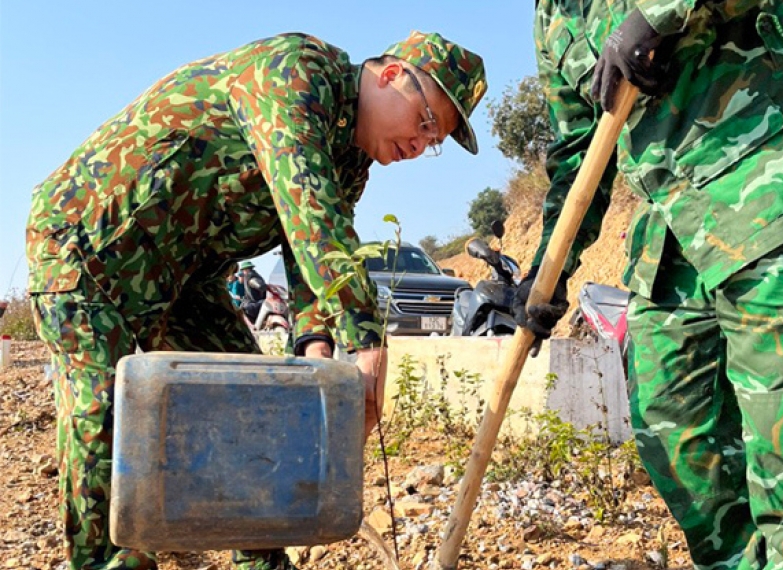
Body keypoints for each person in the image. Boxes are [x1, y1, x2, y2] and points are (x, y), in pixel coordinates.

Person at [26, 30, 486, 570]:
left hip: (184, 278)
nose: (419, 146)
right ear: (390, 76)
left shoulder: (348, 159)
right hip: (87, 246)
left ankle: (261, 559)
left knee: (244, 413)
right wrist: (366, 339)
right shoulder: (296, 72)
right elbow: (309, 213)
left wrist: (315, 345)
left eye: (433, 143)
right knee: (103, 411)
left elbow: (303, 254)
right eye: (427, 122)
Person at [514, 0, 783, 568]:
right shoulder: (552, 12)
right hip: (673, 245)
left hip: (778, 202)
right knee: (676, 440)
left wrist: (652, 15)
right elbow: (578, 150)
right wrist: (548, 271)